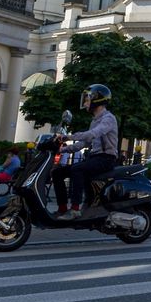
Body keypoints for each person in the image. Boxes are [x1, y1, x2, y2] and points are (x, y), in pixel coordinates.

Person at [50, 84, 119, 219]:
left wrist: (69, 136)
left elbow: (92, 134)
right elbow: (83, 144)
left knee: (77, 169)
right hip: (94, 158)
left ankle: (75, 210)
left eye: (87, 100)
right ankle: (62, 208)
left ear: (96, 100)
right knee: (57, 172)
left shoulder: (108, 118)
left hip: (106, 159)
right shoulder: (94, 121)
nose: (85, 103)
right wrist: (62, 149)